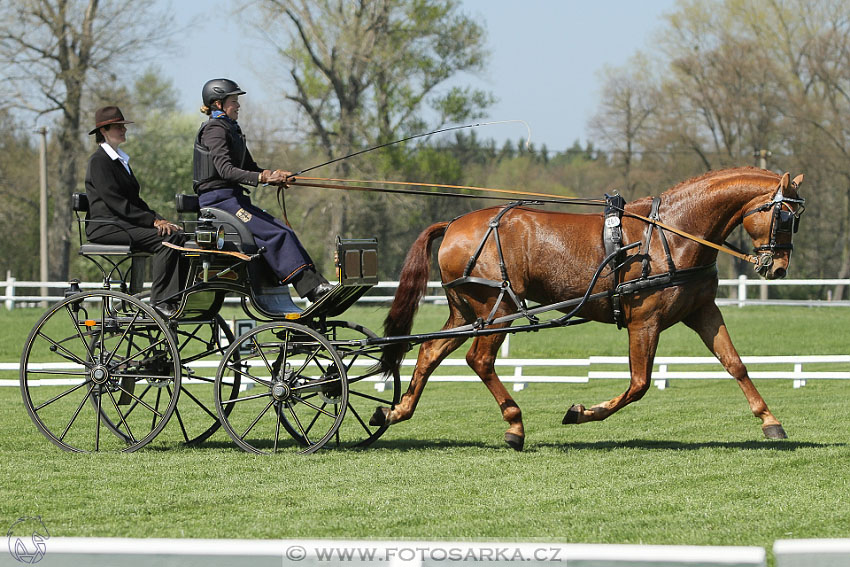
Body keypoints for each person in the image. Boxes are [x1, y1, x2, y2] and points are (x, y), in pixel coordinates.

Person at [192, 78, 332, 302]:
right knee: (276, 233)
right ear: (218, 104)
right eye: (233, 101)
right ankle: (312, 290)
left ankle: (318, 285)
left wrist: (273, 175)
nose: (238, 105)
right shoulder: (214, 130)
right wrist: (263, 177)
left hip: (233, 199)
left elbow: (250, 168)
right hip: (218, 201)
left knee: (281, 228)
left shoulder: (231, 129)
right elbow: (226, 170)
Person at [84, 106, 185, 316]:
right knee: (166, 241)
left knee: (177, 235)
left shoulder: (120, 161)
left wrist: (160, 219)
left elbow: (135, 200)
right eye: (118, 127)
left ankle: (175, 298)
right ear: (104, 131)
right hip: (106, 226)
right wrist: (152, 223)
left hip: (122, 222)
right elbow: (116, 202)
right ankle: (161, 301)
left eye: (123, 126)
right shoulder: (99, 161)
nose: (123, 130)